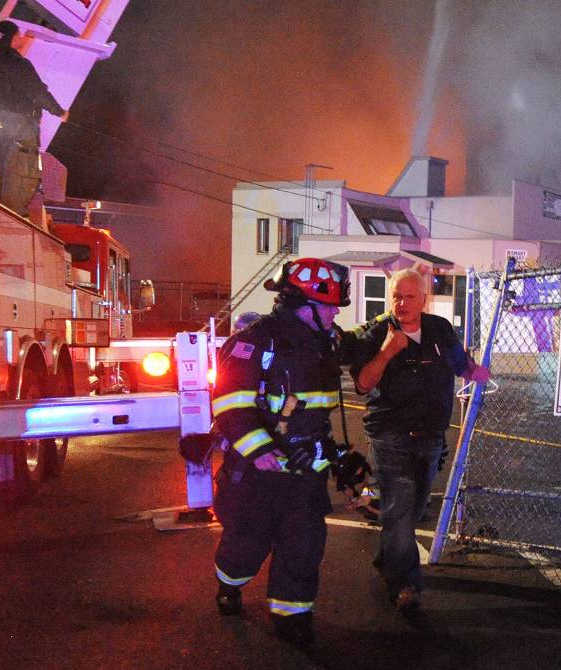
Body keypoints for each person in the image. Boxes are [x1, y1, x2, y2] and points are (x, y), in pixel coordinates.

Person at [210, 258, 360, 648]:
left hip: (304, 469)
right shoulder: (256, 341)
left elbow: (319, 413)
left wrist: (330, 455)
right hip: (257, 473)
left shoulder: (325, 343)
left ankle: (292, 616)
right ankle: (229, 583)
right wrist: (259, 450)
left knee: (304, 544)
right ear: (300, 304)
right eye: (327, 305)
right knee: (246, 545)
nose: (334, 312)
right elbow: (229, 403)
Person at [350, 268, 489, 616]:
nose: (402, 303)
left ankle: (387, 558)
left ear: (424, 300)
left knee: (411, 511)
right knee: (399, 512)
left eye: (410, 297)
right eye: (396, 296)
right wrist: (385, 353)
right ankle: (406, 585)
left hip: (431, 439)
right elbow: (364, 385)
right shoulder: (376, 333)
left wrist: (477, 372)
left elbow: (460, 364)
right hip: (390, 437)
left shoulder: (439, 329)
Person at [0, 20, 68, 216]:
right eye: (18, 34)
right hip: (20, 124)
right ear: (12, 37)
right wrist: (59, 112)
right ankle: (13, 218)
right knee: (21, 172)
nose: (22, 37)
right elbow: (37, 92)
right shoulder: (19, 64)